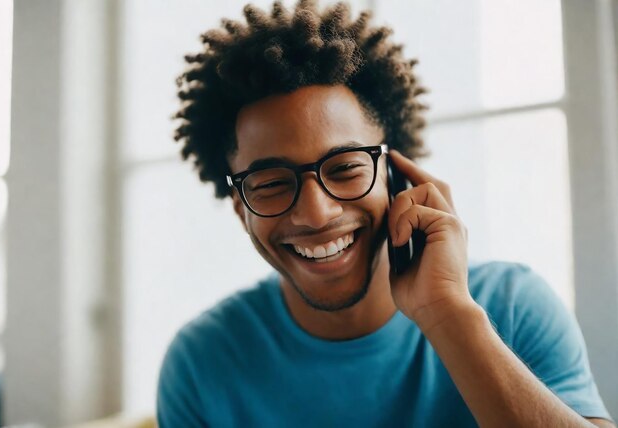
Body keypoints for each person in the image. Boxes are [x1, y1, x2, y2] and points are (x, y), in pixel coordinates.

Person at [157, 1, 614, 426]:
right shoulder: (202, 363)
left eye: (345, 168)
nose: (316, 213)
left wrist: (446, 315)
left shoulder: (513, 308)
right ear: (241, 211)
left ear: (396, 178)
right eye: (273, 184)